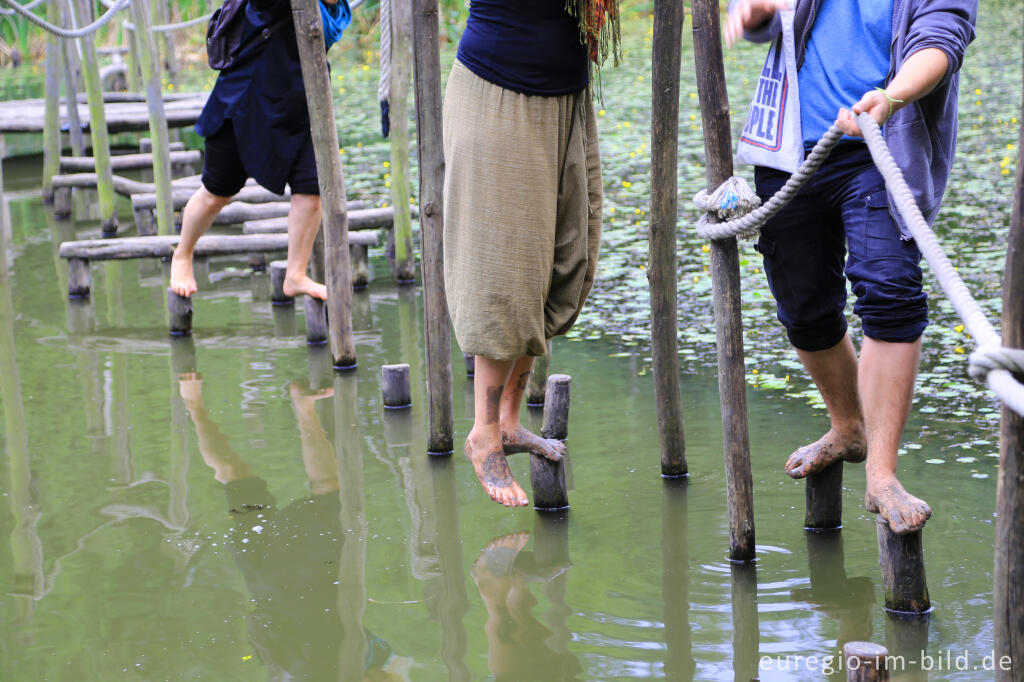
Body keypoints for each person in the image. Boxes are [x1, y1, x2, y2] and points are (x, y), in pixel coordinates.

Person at [725, 0, 977, 533]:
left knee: (889, 291)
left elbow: (942, 38)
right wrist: (756, 14)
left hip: (880, 141)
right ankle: (847, 427)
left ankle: (882, 474)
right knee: (804, 306)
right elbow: (776, 25)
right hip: (791, 148)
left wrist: (890, 97)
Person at [443, 0, 618, 507]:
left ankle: (510, 422)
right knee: (504, 271)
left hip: (564, 97)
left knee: (557, 263)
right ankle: (483, 434)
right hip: (499, 92)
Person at [170, 0, 350, 301]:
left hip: (302, 97)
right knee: (216, 193)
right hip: (247, 94)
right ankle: (182, 254)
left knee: (312, 192)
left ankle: (295, 275)